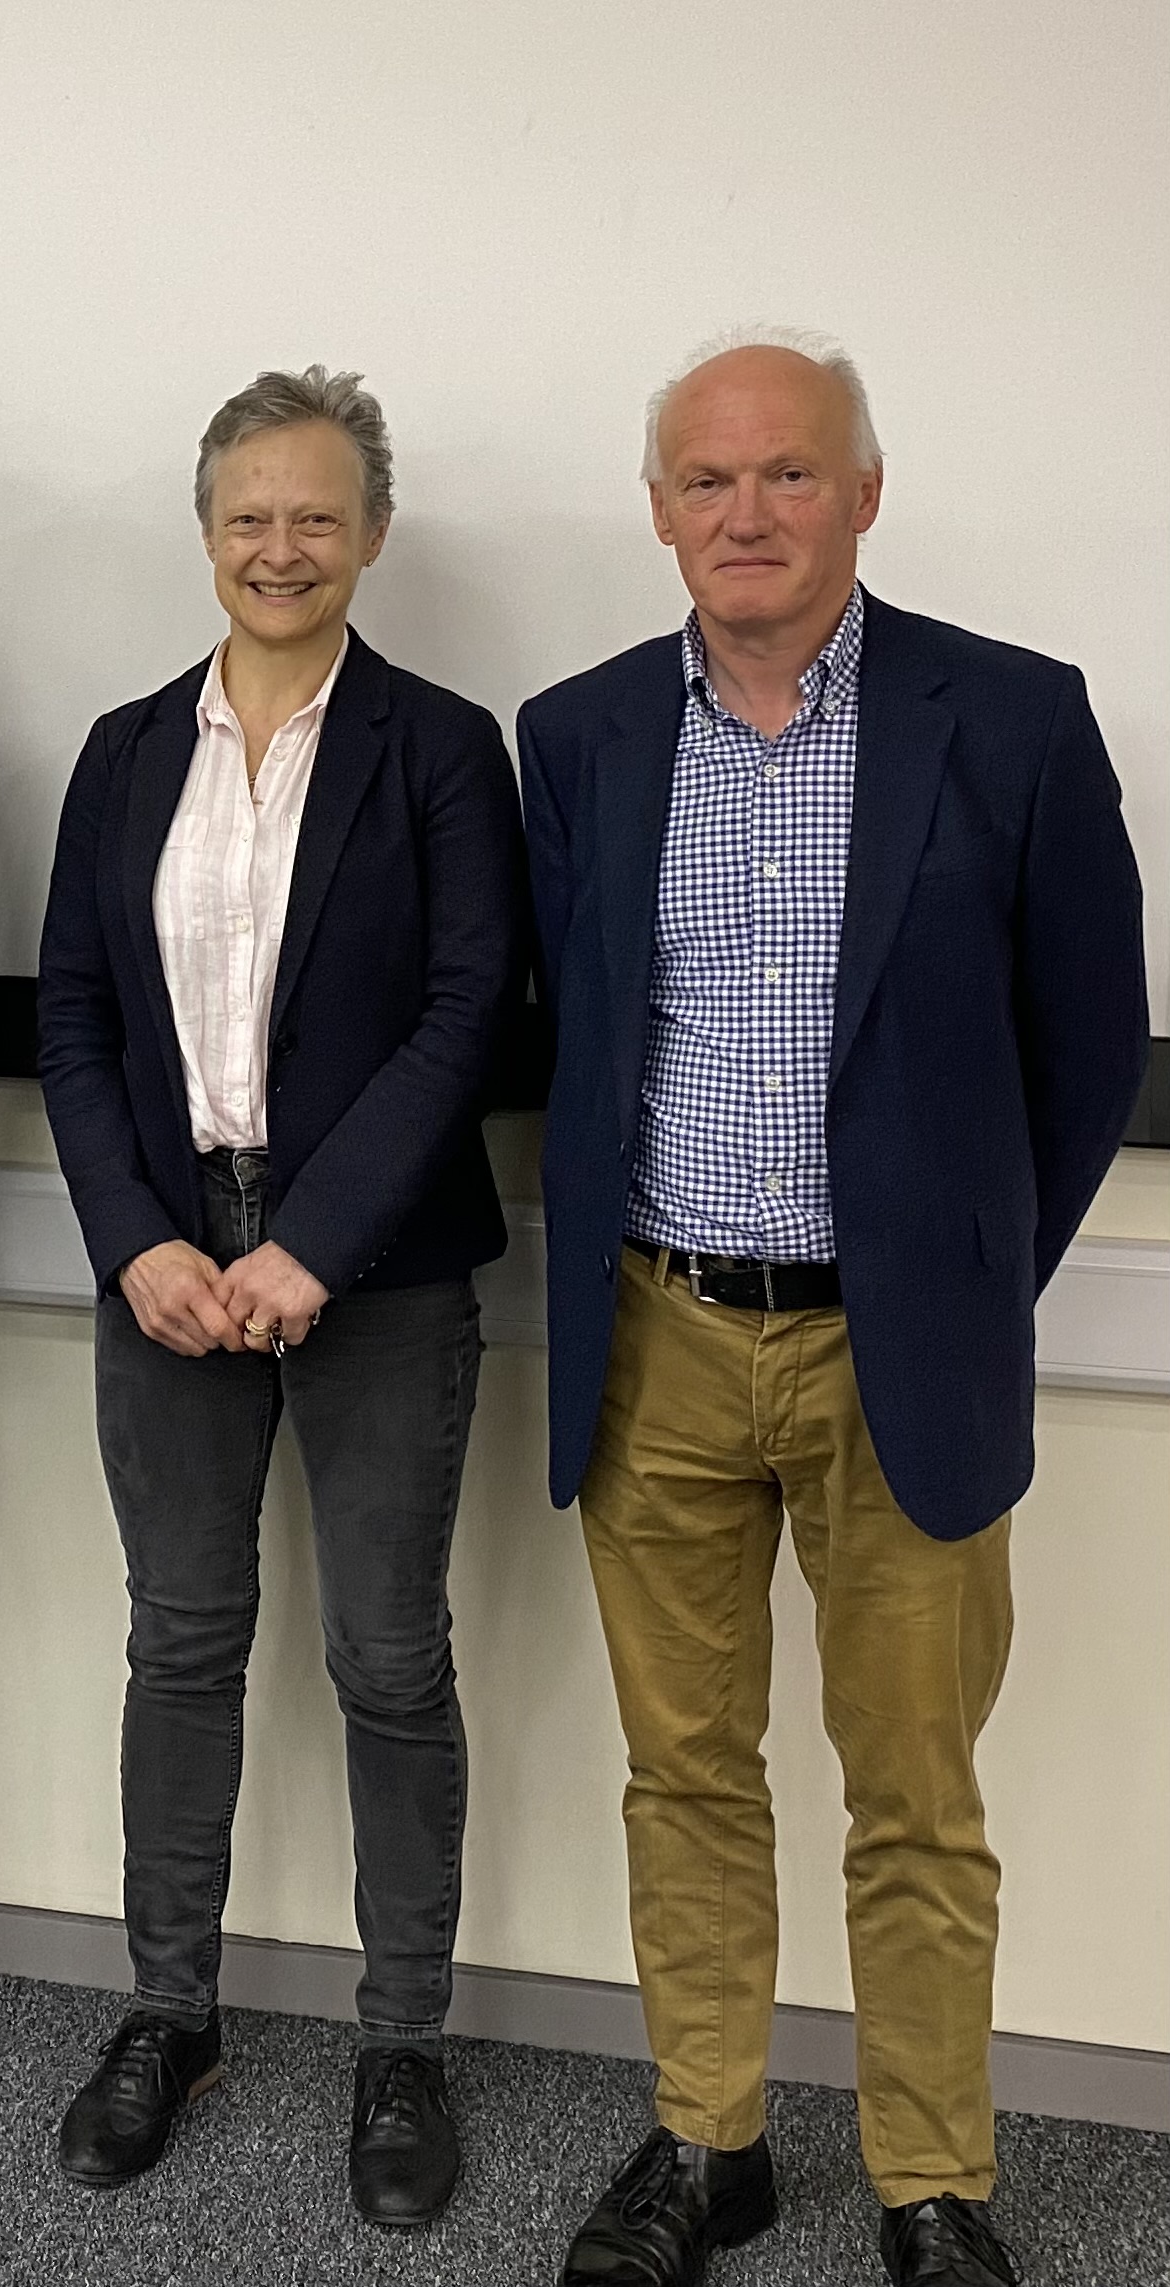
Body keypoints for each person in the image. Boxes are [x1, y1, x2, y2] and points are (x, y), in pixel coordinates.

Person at [520, 328, 1148, 2287]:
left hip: (903, 1355)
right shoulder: (581, 734)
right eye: (704, 481)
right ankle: (706, 2142)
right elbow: (568, 1032)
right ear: (657, 514)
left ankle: (928, 2173)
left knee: (913, 1793)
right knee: (685, 1774)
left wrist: (959, 1275)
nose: (745, 512)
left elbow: (1087, 1048)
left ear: (862, 493)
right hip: (659, 1338)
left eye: (786, 473)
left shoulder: (1016, 720)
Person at [35, 367, 525, 2225]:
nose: (279, 546)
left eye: (315, 514)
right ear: (206, 528)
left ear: (372, 533)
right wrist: (140, 1242)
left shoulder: (439, 746)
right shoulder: (122, 750)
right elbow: (75, 1012)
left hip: (376, 1269)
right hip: (164, 1260)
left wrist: (308, 1242)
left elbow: (463, 1010)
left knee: (387, 1660)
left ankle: (399, 2039)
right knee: (181, 1639)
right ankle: (172, 2013)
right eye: (248, 513)